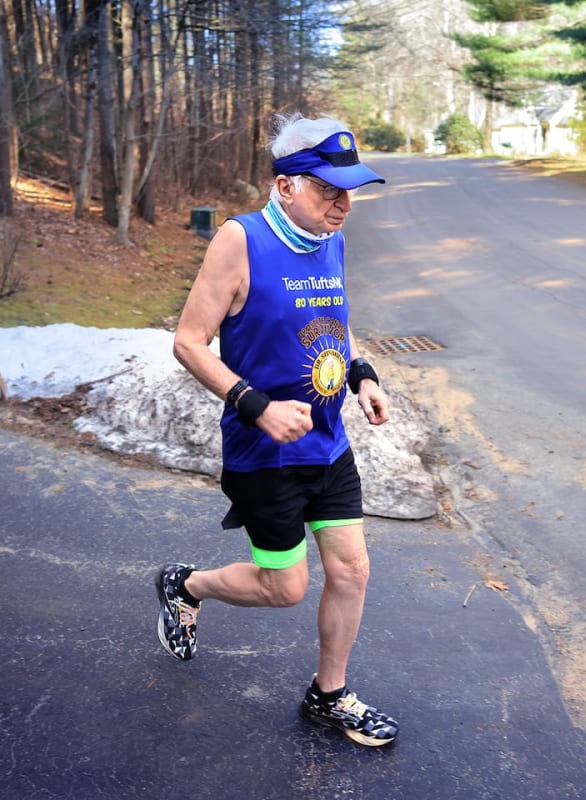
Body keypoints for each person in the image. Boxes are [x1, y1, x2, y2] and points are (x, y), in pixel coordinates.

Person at [158, 113, 398, 747]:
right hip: (263, 452)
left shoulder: (330, 237)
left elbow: (334, 318)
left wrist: (363, 375)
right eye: (328, 189)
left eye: (349, 191)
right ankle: (184, 585)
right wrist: (254, 404)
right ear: (286, 185)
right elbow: (188, 342)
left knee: (352, 571)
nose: (343, 204)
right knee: (283, 588)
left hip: (328, 442)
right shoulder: (240, 239)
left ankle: (330, 695)